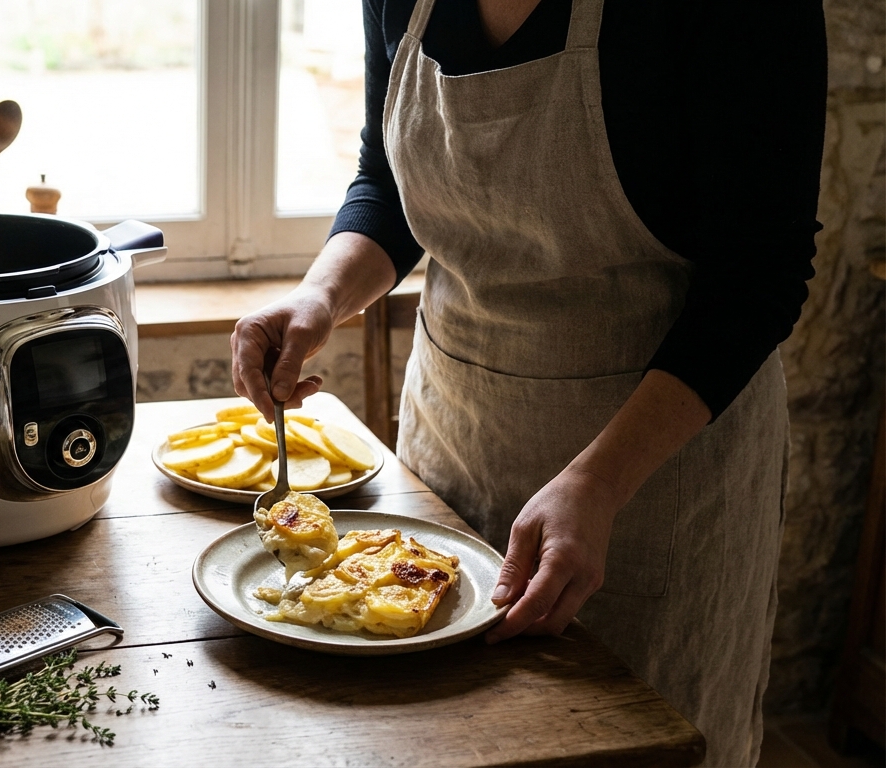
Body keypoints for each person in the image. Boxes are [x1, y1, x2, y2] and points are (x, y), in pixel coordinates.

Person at [229, 1, 827, 765]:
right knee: (436, 737)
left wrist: (600, 482)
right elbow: (388, 182)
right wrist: (321, 294)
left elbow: (758, 280)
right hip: (455, 435)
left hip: (652, 477)